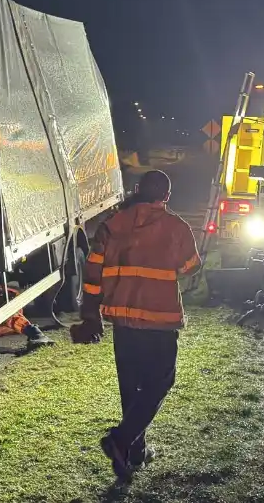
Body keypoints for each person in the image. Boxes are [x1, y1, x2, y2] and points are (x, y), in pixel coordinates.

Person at [70, 169, 201, 482]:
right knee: (160, 382)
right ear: (166, 197)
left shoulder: (112, 226)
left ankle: (134, 452)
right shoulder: (176, 226)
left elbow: (92, 274)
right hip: (159, 321)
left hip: (124, 321)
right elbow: (189, 267)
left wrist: (91, 314)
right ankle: (121, 438)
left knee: (132, 388)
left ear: (137, 189)